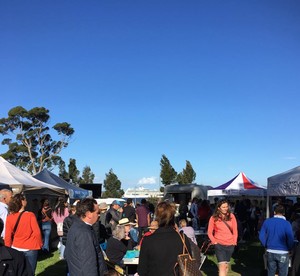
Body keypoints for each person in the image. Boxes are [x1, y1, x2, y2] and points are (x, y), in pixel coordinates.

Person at [138, 201, 191, 276]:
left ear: (157, 218)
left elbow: (142, 270)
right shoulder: (182, 238)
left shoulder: (148, 240)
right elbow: (189, 262)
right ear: (172, 217)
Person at [65, 198, 107, 275]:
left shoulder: (77, 226)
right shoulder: (83, 232)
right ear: (89, 214)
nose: (99, 215)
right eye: (97, 212)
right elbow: (88, 263)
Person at [4, 193, 42, 275]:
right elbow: (37, 232)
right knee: (30, 272)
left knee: (18, 272)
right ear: (22, 201)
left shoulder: (10, 217)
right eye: (25, 199)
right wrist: (39, 244)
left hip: (16, 247)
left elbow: (8, 235)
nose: (26, 201)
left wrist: (8, 248)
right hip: (31, 247)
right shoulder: (30, 215)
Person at [259, 204, 294, 276]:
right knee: (283, 273)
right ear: (284, 213)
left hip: (270, 250)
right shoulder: (287, 224)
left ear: (274, 212)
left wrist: (266, 244)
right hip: (283, 251)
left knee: (270, 272)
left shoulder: (267, 222)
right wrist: (290, 248)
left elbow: (261, 236)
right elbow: (290, 238)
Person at [207, 199, 238, 276]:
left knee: (226, 266)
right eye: (223, 207)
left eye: (226, 207)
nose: (225, 208)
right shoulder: (213, 218)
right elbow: (209, 232)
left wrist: (234, 241)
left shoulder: (232, 216)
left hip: (230, 244)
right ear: (218, 208)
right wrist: (214, 242)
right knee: (222, 266)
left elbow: (235, 230)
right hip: (219, 244)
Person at [52, 196, 69, 260]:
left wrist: (58, 223)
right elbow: (67, 218)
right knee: (65, 241)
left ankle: (61, 253)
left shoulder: (55, 210)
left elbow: (54, 218)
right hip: (65, 226)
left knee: (61, 240)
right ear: (64, 202)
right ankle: (62, 255)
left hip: (59, 226)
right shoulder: (66, 210)